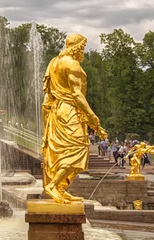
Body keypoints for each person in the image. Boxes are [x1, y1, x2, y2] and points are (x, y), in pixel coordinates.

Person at [41, 34, 107, 204]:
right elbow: (77, 94)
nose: (83, 52)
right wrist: (92, 116)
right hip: (69, 110)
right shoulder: (72, 64)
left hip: (57, 111)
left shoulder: (54, 62)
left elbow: (47, 97)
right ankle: (53, 185)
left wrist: (45, 121)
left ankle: (61, 187)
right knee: (77, 149)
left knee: (70, 151)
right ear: (77, 47)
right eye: (83, 48)